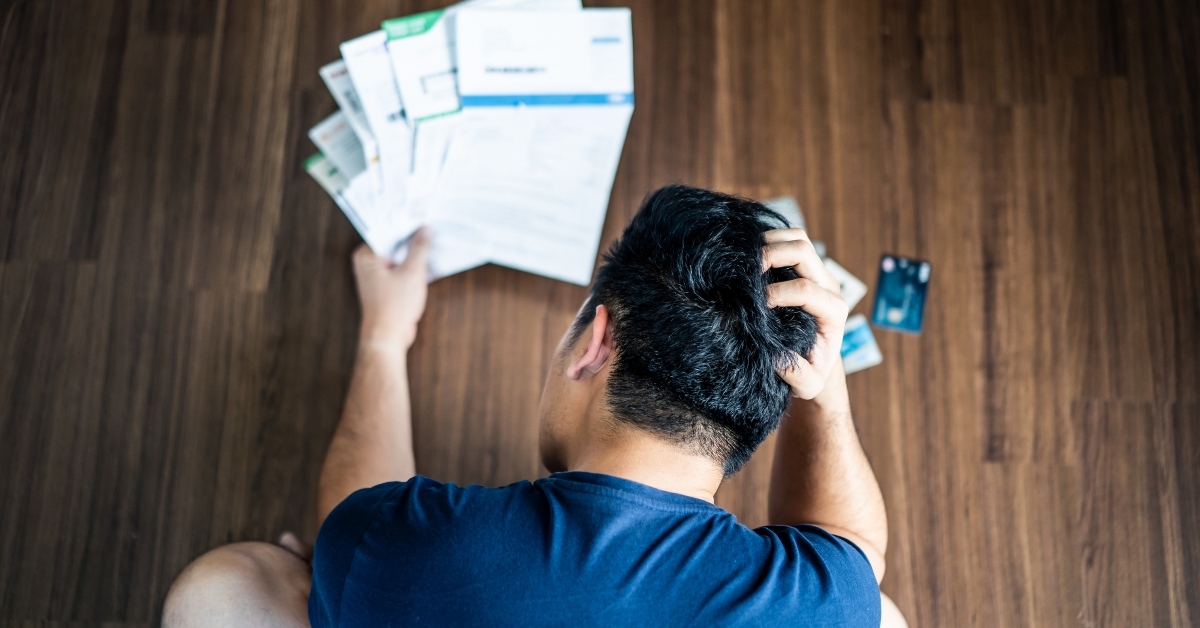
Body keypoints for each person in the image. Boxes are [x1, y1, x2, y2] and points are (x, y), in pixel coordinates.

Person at [164, 185, 908, 627]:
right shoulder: (816, 600)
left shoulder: (408, 546)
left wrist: (384, 338)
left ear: (596, 340)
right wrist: (828, 393)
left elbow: (358, 510)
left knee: (228, 587)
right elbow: (850, 553)